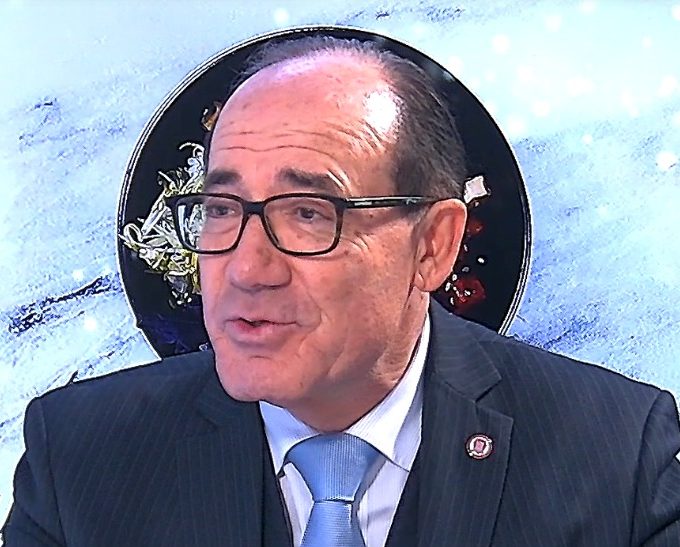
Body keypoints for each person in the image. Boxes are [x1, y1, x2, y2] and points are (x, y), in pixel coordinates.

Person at [3, 34, 680, 547]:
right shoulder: (79, 457)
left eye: (308, 213)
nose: (246, 268)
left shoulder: (617, 455)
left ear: (433, 245)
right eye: (220, 209)